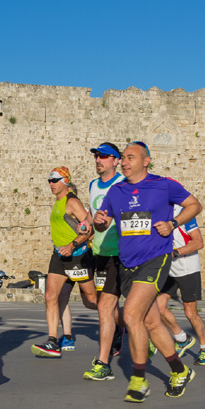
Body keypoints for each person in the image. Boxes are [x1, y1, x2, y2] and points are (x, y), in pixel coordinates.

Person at [94, 141, 202, 402]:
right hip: (126, 264)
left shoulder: (163, 185)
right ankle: (180, 370)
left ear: (146, 161)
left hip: (155, 259)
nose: (124, 162)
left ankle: (139, 381)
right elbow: (102, 224)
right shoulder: (116, 191)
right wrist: (99, 222)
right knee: (151, 322)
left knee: (131, 315)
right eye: (123, 158)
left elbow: (194, 205)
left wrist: (173, 223)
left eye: (130, 157)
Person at [32, 167, 97, 357]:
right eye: (49, 181)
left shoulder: (72, 201)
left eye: (55, 180)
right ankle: (52, 341)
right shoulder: (58, 202)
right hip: (59, 256)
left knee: (91, 301)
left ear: (65, 181)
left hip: (77, 256)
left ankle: (119, 320)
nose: (51, 184)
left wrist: (72, 245)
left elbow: (90, 230)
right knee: (51, 296)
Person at [83, 142, 126, 381]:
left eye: (105, 156)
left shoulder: (123, 184)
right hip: (100, 253)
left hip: (122, 253)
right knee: (103, 305)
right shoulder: (92, 185)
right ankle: (137, 329)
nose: (99, 160)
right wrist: (86, 224)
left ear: (116, 160)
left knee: (105, 308)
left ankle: (103, 363)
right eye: (97, 156)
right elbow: (93, 215)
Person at [156, 204, 205, 366]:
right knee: (158, 307)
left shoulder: (183, 214)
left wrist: (175, 252)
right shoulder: (157, 213)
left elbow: (198, 242)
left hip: (188, 268)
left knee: (190, 313)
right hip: (169, 270)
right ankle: (181, 338)